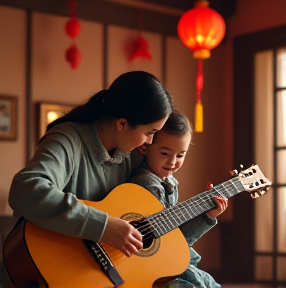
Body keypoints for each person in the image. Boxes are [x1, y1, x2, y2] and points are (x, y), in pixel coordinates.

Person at [3, 70, 220, 287]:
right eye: (149, 132)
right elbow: (26, 190)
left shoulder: (133, 154)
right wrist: (103, 226)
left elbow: (157, 231)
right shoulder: (67, 140)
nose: (150, 141)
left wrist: (204, 215)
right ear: (122, 124)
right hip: (52, 268)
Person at [130, 109, 228, 288]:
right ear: (146, 146)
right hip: (156, 268)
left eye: (180, 155)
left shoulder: (170, 182)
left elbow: (175, 237)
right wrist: (205, 217)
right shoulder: (145, 185)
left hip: (173, 259)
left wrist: (208, 215)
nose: (172, 162)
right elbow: (165, 244)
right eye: (165, 153)